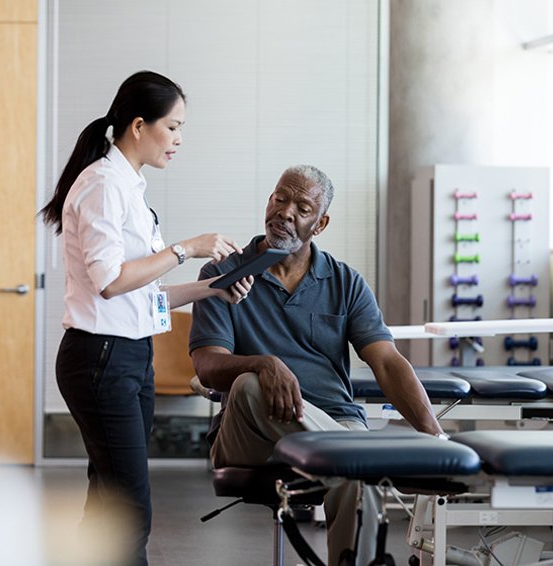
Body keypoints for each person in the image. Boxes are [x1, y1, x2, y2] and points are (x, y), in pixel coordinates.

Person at [40, 70, 252, 566]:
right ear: (139, 126)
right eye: (173, 127)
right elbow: (109, 281)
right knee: (130, 510)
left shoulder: (128, 187)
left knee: (109, 504)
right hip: (101, 358)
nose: (179, 139)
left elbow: (141, 295)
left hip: (129, 356)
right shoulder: (101, 186)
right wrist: (187, 248)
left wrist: (212, 290)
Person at [189, 164, 445, 566]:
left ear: (320, 223)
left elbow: (387, 361)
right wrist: (264, 363)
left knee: (354, 479)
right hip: (251, 436)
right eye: (280, 198)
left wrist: (436, 438)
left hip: (336, 422)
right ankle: (355, 454)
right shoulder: (223, 272)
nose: (286, 211)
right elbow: (207, 364)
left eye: (302, 206)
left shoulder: (346, 282)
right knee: (250, 384)